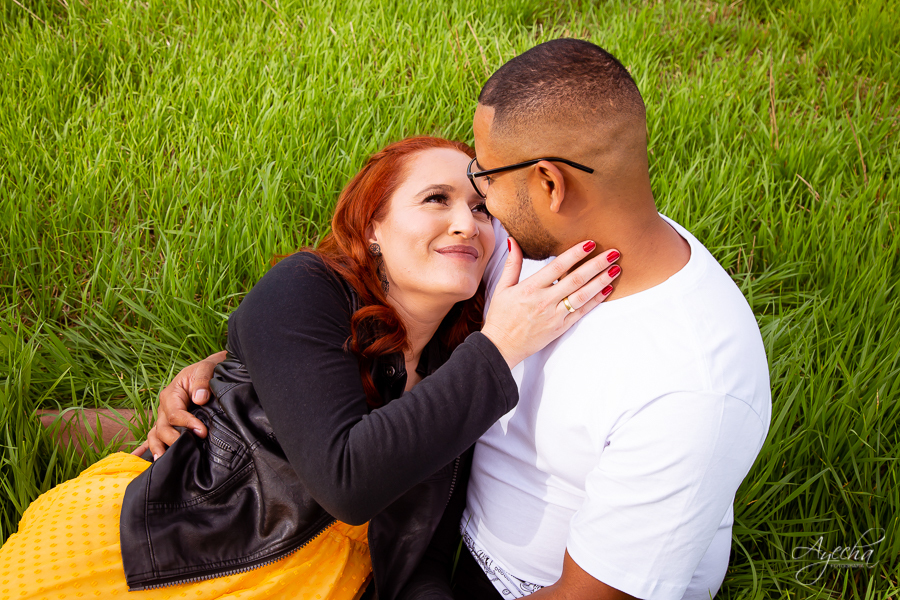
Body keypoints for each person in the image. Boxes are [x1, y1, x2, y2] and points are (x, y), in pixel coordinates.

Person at [157, 40, 771, 600]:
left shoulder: (690, 382)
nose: (476, 209)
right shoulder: (523, 241)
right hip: (418, 517)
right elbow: (368, 301)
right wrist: (237, 364)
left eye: (486, 180)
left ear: (550, 184)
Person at [0, 136, 622, 600]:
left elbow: (423, 547)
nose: (467, 222)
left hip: (322, 583)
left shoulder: (455, 365)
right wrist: (501, 346)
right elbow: (348, 481)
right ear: (374, 225)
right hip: (180, 549)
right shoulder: (305, 289)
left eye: (482, 209)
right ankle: (63, 424)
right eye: (436, 199)